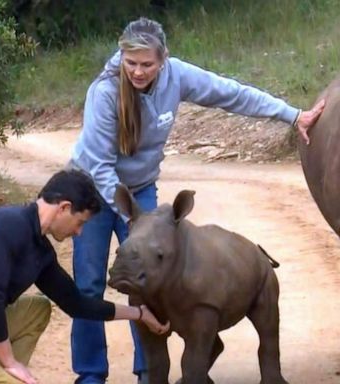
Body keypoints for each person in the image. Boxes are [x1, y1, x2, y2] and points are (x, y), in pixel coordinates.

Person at [69, 17, 325, 384]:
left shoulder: (177, 76)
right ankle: (91, 375)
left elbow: (232, 94)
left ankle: (148, 372)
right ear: (122, 58)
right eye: (131, 64)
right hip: (91, 190)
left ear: (163, 60)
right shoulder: (105, 93)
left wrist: (291, 115)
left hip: (139, 189)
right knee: (90, 285)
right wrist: (134, 220)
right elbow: (99, 165)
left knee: (152, 281)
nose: (138, 72)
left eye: (147, 64)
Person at [0, 169, 169, 384]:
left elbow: (75, 303)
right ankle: (4, 372)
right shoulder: (9, 224)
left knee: (37, 308)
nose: (79, 232)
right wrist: (9, 361)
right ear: (64, 208)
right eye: (80, 222)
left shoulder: (40, 248)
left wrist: (139, 313)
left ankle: (0, 373)